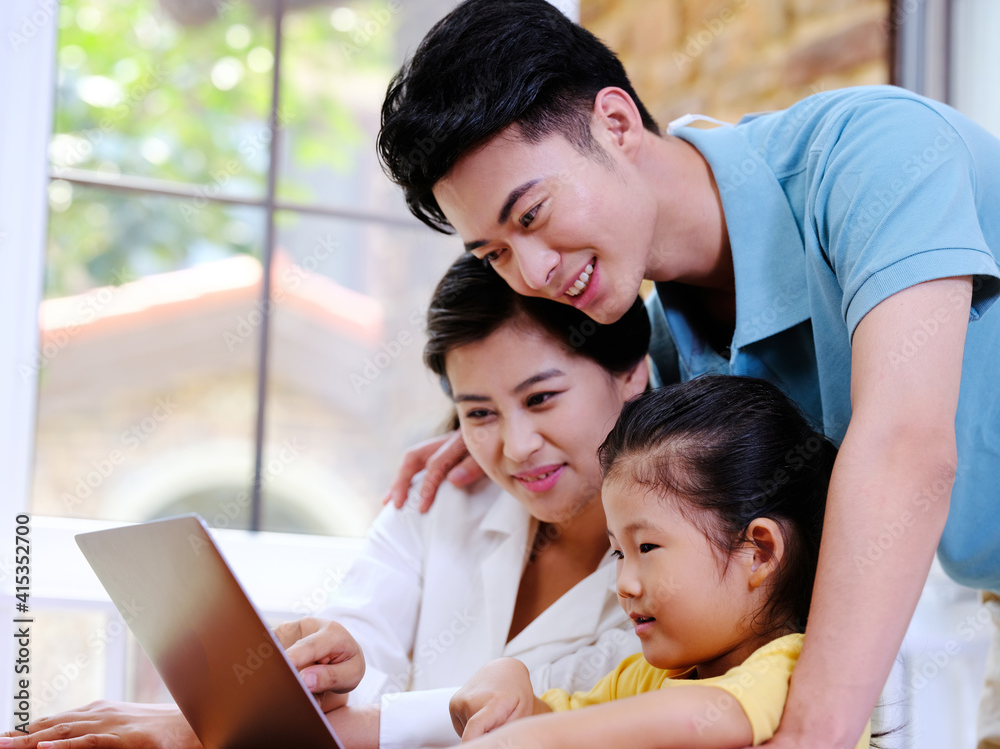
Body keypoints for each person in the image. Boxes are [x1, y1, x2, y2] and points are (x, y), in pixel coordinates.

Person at [375, 0, 1000, 747]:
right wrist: (494, 428)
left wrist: (810, 735)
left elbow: (905, 444)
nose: (532, 271)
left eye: (533, 215)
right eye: (495, 254)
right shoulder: (669, 354)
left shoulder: (875, 156)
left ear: (614, 122)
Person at [0, 253, 650, 749]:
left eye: (541, 399)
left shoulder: (686, 557)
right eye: (478, 413)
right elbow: (361, 643)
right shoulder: (439, 497)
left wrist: (196, 729)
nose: (514, 446)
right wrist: (339, 665)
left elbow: (561, 717)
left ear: (631, 373)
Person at [447, 376, 871, 749]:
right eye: (618, 553)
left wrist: (534, 738)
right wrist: (509, 682)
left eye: (646, 548)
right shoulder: (645, 680)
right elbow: (555, 724)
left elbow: (712, 714)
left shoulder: (798, 668)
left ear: (758, 552)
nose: (624, 585)